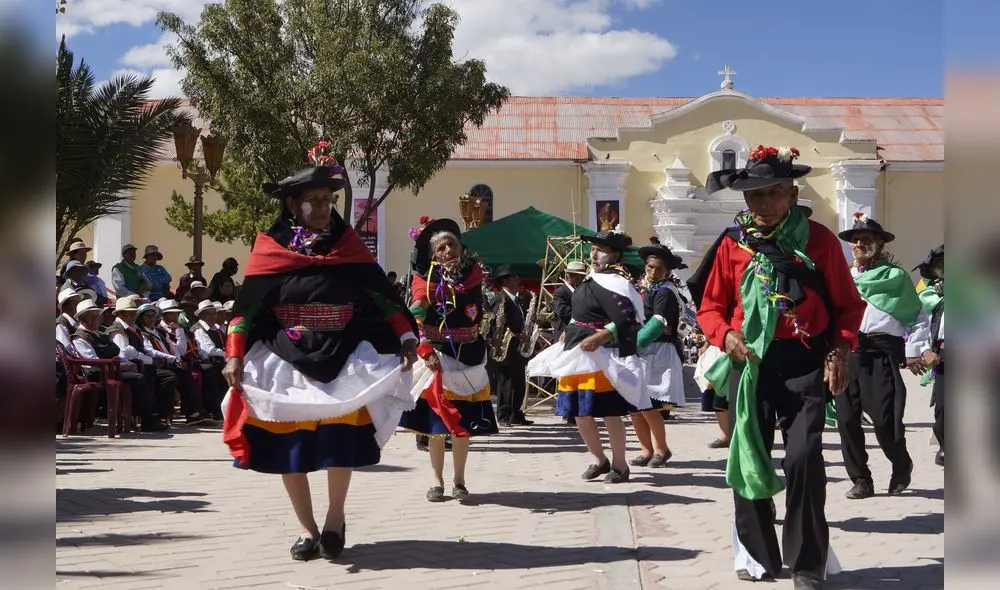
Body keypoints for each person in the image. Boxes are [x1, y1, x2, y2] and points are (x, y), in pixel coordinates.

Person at [220, 143, 418, 561]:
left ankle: (334, 519)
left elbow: (384, 299)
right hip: (285, 358)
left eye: (328, 199)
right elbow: (246, 310)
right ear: (292, 204)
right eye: (313, 200)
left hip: (343, 357)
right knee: (290, 446)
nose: (324, 206)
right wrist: (234, 354)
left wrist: (406, 337)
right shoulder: (269, 249)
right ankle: (306, 529)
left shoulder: (349, 246)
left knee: (338, 442)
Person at [689, 144, 865, 589]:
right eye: (753, 196)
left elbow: (847, 306)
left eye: (771, 193)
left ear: (791, 193)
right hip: (749, 365)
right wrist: (725, 334)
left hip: (805, 363)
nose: (762, 203)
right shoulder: (732, 243)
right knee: (748, 455)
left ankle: (807, 565)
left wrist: (840, 350)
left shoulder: (819, 240)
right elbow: (710, 307)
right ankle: (759, 555)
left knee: (805, 459)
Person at [527, 228, 649, 483]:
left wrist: (601, 336)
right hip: (577, 353)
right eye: (592, 249)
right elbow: (580, 311)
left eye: (600, 250)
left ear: (614, 255)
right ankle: (599, 459)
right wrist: (569, 330)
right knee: (579, 412)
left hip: (601, 355)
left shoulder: (619, 282)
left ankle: (620, 465)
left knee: (609, 413)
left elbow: (629, 318)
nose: (594, 254)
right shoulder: (591, 279)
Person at [400, 217, 499, 503]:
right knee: (437, 427)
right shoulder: (425, 282)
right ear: (433, 255)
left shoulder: (473, 275)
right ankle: (436, 482)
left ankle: (459, 481)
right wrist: (424, 350)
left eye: (452, 245)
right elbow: (415, 317)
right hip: (439, 359)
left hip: (470, 354)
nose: (448, 251)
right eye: (441, 247)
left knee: (463, 429)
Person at [834, 214, 924, 499]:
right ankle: (861, 479)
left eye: (867, 240)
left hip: (879, 357)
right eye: (856, 241)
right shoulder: (844, 278)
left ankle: (901, 463)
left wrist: (913, 352)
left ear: (880, 245)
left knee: (886, 421)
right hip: (848, 356)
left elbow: (917, 317)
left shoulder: (895, 277)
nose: (860, 244)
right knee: (846, 421)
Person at [629, 241, 687, 468]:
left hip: (657, 351)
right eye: (650, 267)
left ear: (667, 271)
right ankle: (646, 450)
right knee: (635, 406)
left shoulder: (666, 292)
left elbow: (659, 324)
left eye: (658, 268)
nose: (653, 272)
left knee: (648, 405)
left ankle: (661, 449)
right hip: (640, 350)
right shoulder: (644, 288)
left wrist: (634, 343)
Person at [104, 296, 170, 432]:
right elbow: (123, 354)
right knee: (143, 378)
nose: (133, 315)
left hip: (138, 364)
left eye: (134, 312)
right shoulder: (117, 330)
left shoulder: (133, 328)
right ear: (120, 314)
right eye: (129, 313)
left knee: (167, 376)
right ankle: (148, 419)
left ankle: (158, 415)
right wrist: (146, 361)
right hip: (121, 368)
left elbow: (143, 349)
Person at [911, 245, 944, 466]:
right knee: (943, 404)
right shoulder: (929, 294)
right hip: (944, 353)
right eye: (942, 264)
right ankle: (946, 445)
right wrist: (924, 350)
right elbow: (919, 324)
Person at [491, 264, 534, 426]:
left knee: (518, 381)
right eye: (515, 277)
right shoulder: (499, 297)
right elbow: (497, 323)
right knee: (506, 381)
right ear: (506, 280)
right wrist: (512, 335)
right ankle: (503, 415)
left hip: (518, 346)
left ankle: (516, 413)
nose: (518, 280)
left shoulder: (518, 299)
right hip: (506, 345)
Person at [552, 261, 588, 340]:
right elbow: (563, 312)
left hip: (578, 335)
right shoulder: (560, 292)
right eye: (581, 277)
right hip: (563, 336)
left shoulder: (582, 291)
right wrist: (585, 315)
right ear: (573, 277)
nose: (583, 279)